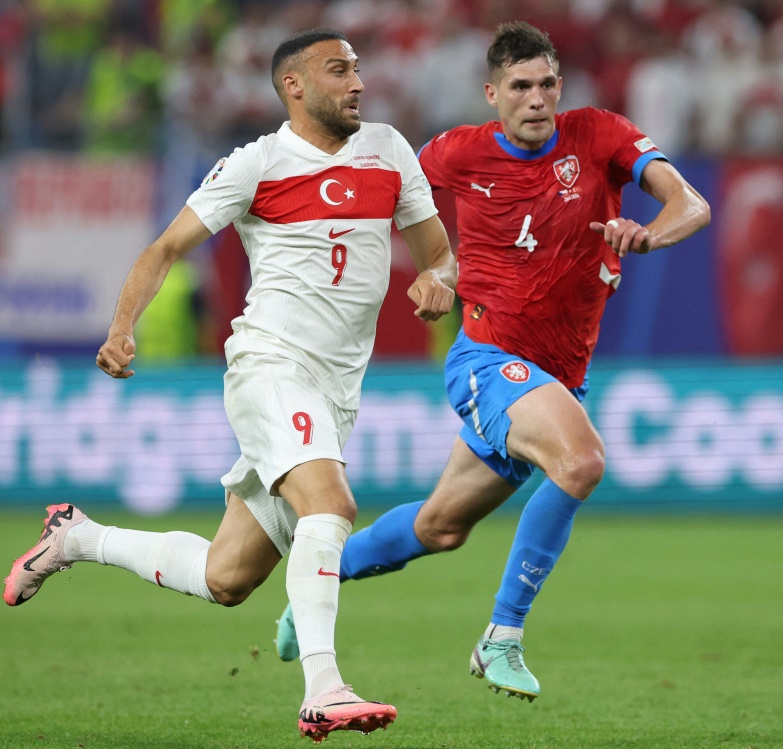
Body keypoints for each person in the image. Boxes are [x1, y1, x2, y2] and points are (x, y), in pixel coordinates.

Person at [3, 28, 456, 742]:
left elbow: (438, 251)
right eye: (339, 71)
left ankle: (76, 538)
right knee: (330, 502)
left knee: (227, 576)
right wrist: (123, 325)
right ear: (295, 87)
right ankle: (323, 687)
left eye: (358, 69)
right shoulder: (257, 164)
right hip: (271, 366)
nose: (358, 83)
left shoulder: (391, 150)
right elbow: (167, 247)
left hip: (336, 390)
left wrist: (438, 278)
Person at [273, 21, 711, 702]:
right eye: (520, 87)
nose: (536, 99)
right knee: (582, 461)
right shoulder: (454, 154)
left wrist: (648, 234)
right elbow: (375, 199)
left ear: (559, 88)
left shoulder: (600, 136)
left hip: (554, 378)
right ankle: (501, 636)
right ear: (492, 93)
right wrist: (432, 271)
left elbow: (692, 203)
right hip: (485, 359)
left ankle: (312, 588)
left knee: (440, 527)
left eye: (545, 85)